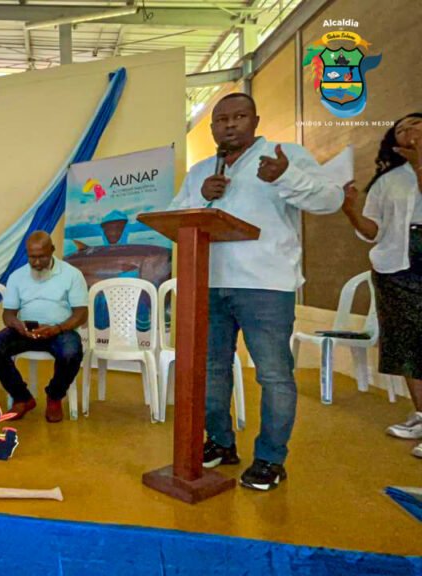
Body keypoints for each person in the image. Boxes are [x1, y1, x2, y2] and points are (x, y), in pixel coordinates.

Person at [170, 93, 343, 490]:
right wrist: (201, 196)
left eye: (239, 116)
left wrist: (285, 176)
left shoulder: (285, 156)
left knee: (273, 375)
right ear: (212, 127)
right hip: (209, 283)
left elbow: (330, 200)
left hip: (266, 286)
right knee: (212, 370)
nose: (230, 125)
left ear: (255, 120)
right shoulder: (200, 171)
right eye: (221, 120)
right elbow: (175, 215)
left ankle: (270, 459)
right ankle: (221, 441)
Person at [341, 112, 422, 458]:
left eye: (415, 124)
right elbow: (373, 231)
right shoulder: (388, 180)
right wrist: (349, 210)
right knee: (406, 344)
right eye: (400, 129)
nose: (407, 130)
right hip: (396, 267)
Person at [0, 231, 88, 423]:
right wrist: (17, 325)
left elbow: (81, 313)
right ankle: (22, 398)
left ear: (52, 250)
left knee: (72, 353)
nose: (37, 262)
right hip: (25, 331)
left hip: (59, 331)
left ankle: (54, 396)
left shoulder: (72, 275)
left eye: (42, 257)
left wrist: (57, 328)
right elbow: (8, 313)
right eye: (32, 257)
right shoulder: (17, 276)